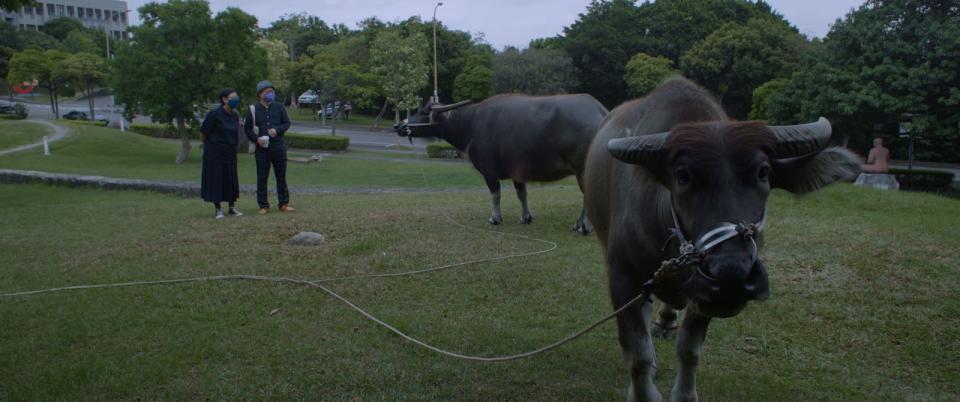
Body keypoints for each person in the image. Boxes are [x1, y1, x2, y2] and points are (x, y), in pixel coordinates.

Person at [244, 80, 294, 214]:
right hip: (262, 149)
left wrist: (277, 130)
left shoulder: (279, 107)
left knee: (281, 176)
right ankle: (263, 205)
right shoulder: (253, 110)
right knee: (262, 177)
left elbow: (287, 123)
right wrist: (257, 139)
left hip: (279, 147)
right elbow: (247, 129)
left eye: (272, 92)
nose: (270, 94)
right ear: (260, 94)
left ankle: (284, 203)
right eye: (267, 92)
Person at [199, 88, 243, 219]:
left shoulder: (234, 115)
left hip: (230, 151)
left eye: (237, 97)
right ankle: (218, 209)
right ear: (224, 99)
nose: (236, 100)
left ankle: (232, 206)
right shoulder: (215, 114)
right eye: (233, 97)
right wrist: (208, 145)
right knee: (217, 178)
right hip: (215, 151)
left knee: (231, 178)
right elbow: (203, 131)